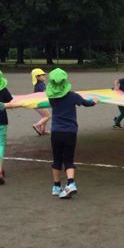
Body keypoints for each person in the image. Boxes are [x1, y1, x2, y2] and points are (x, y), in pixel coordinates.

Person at [45, 68, 97, 199]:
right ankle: (70, 183)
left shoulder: (51, 98)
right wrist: (95, 101)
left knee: (57, 159)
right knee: (68, 159)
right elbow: (87, 103)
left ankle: (56, 186)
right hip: (70, 131)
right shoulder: (73, 96)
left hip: (56, 131)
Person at [31, 68, 51, 135]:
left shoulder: (39, 84)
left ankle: (43, 131)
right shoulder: (40, 84)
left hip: (37, 102)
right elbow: (46, 92)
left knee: (45, 116)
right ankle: (37, 125)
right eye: (42, 75)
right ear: (37, 77)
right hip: (39, 103)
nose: (44, 76)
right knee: (47, 116)